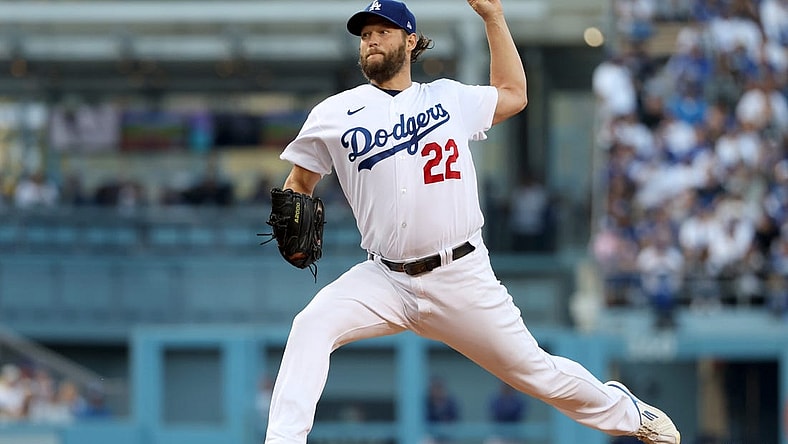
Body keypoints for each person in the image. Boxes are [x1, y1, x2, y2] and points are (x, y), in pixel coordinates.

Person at [263, 1, 681, 444]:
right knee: (311, 326)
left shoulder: (447, 98)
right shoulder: (334, 113)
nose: (370, 39)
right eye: (364, 34)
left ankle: (628, 414)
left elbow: (514, 93)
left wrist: (493, 17)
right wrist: (296, 204)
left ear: (409, 41)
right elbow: (299, 180)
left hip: (459, 274)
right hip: (383, 278)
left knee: (536, 373)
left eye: (382, 31)